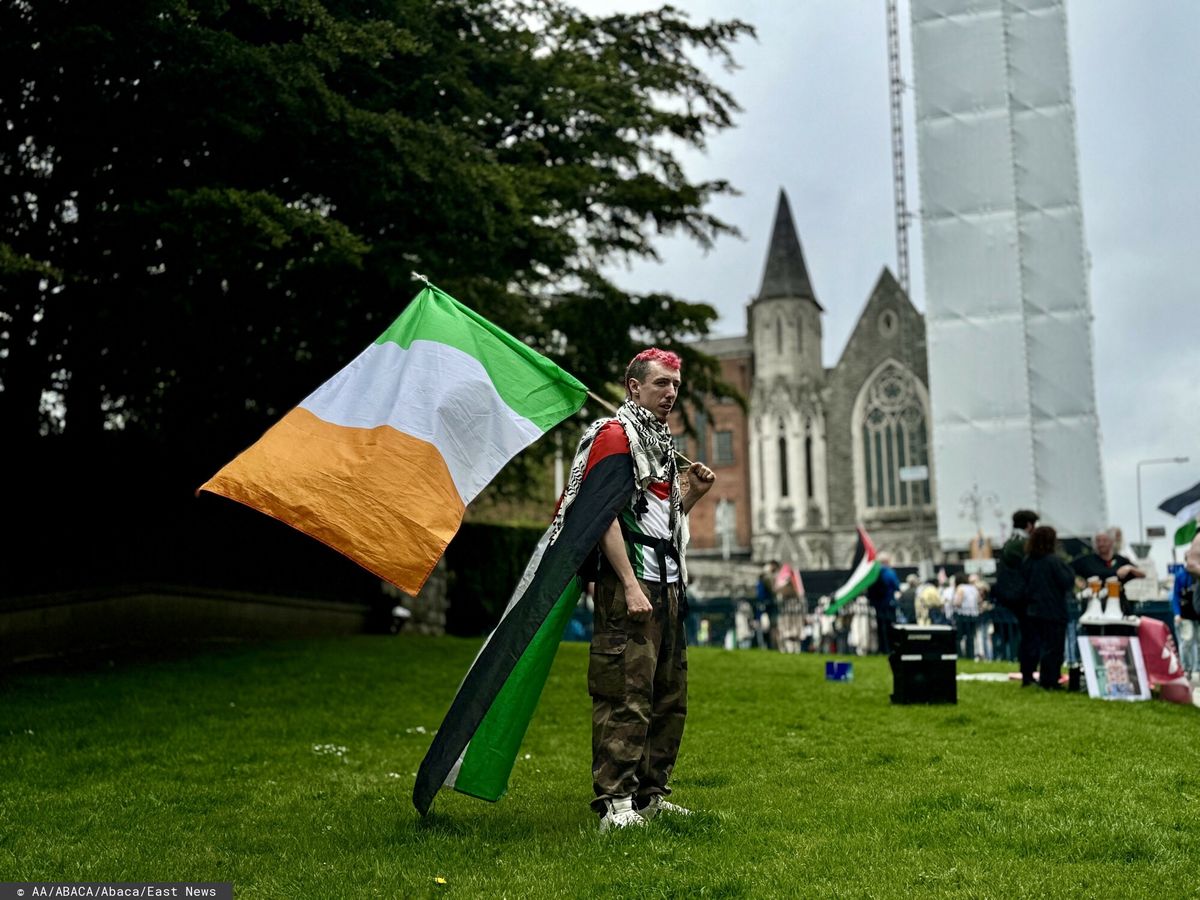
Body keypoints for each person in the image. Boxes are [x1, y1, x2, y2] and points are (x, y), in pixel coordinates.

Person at [587, 348, 716, 831]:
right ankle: (615, 803)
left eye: (675, 385)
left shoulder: (659, 444)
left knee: (668, 695)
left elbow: (657, 520)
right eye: (661, 383)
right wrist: (627, 582)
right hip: (631, 588)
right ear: (634, 387)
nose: (671, 393)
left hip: (668, 584)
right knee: (625, 692)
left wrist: (691, 495)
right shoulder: (614, 438)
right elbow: (602, 516)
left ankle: (650, 794)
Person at [1022, 525, 1074, 690]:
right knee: (1053, 647)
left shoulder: (1028, 561)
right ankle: (1050, 680)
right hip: (1053, 610)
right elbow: (1067, 581)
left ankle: (1028, 675)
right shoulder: (1054, 561)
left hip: (1032, 609)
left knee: (1034, 645)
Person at [995, 509, 1038, 685]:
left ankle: (1027, 672)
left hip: (1013, 596)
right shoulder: (1023, 544)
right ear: (1029, 525)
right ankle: (1028, 674)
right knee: (1031, 637)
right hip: (1023, 597)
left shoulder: (1010, 542)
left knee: (1027, 636)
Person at [1071, 529, 1146, 616]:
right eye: (1098, 541)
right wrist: (1077, 582)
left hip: (1118, 605)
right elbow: (1066, 570)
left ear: (1111, 542)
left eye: (1104, 541)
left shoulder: (1120, 560)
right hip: (1092, 606)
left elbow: (1143, 574)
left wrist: (1129, 568)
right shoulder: (1087, 560)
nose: (1101, 544)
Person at [866, 552, 900, 654]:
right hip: (888, 603)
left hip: (877, 605)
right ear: (887, 561)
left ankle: (881, 648)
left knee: (880, 627)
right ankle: (890, 648)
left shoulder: (873, 573)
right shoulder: (890, 573)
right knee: (890, 627)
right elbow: (897, 586)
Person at [953, 572, 981, 660]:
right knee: (970, 637)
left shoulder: (960, 588)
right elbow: (979, 600)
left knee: (958, 637)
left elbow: (958, 602)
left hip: (962, 614)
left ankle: (960, 655)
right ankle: (970, 656)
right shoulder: (974, 588)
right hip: (973, 614)